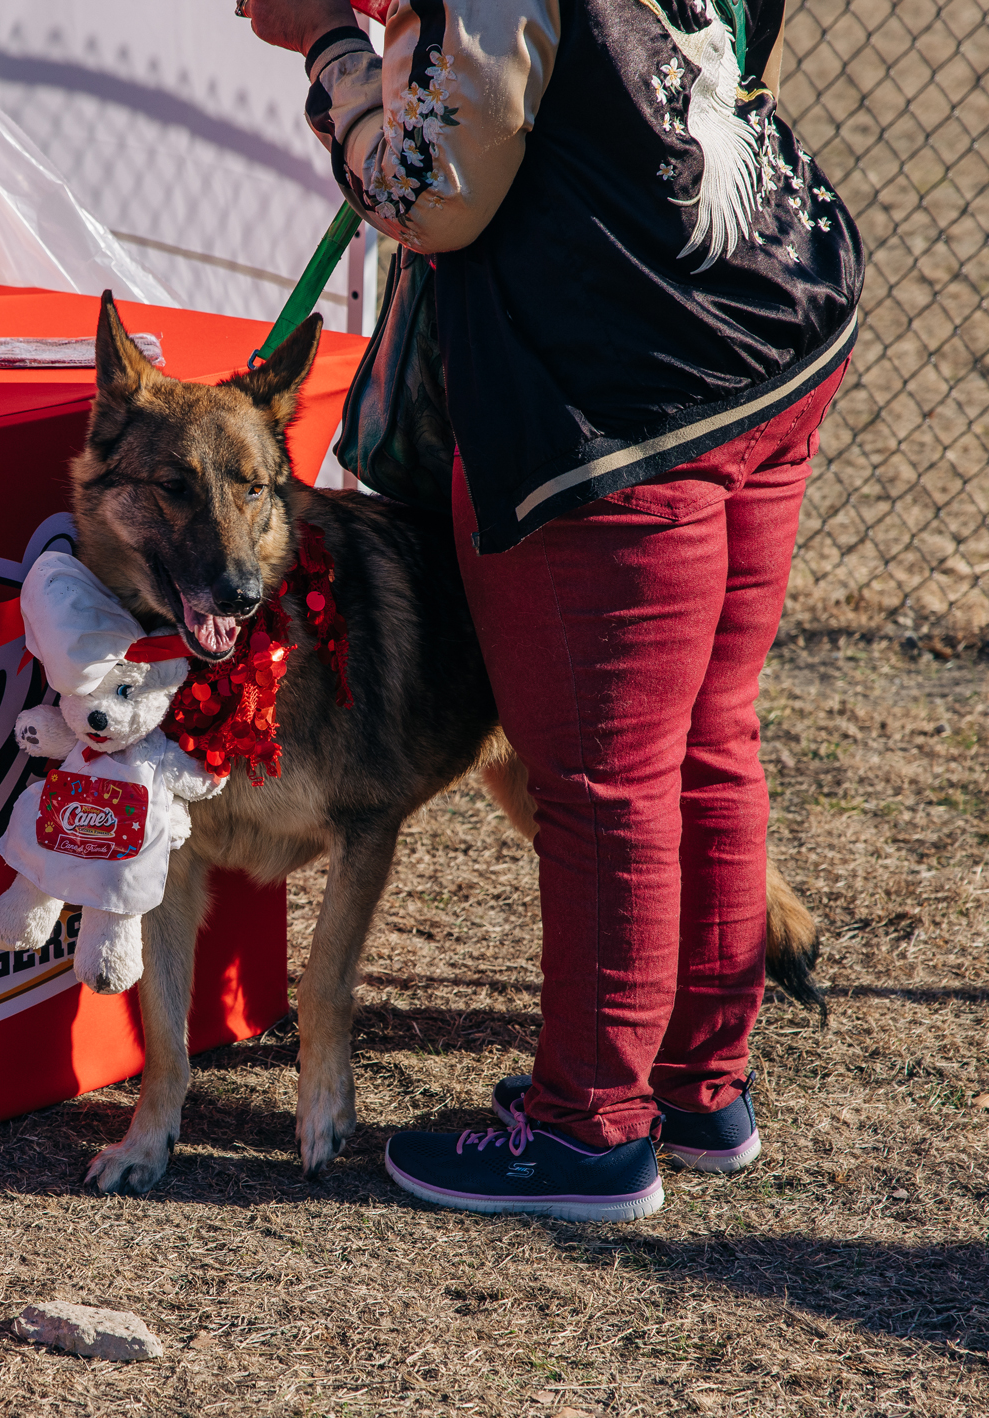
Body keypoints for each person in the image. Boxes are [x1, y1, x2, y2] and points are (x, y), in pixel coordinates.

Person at [245, 0, 863, 1220]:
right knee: (704, 735)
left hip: (619, 392)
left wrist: (332, 55)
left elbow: (431, 195)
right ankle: (696, 1089)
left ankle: (588, 1133)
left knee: (601, 778)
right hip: (769, 315)